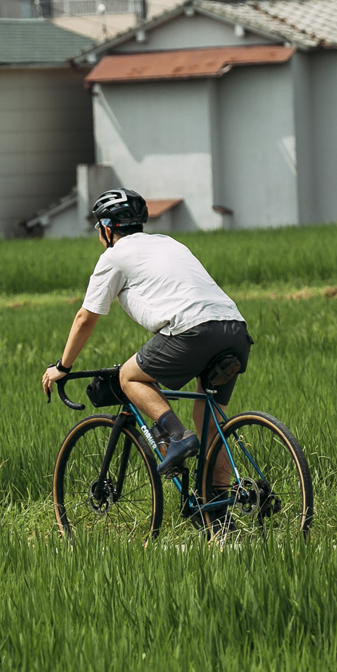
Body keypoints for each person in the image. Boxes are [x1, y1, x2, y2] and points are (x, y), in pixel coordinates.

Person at [41, 188, 252, 476]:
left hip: (192, 331)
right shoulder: (170, 243)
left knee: (128, 376)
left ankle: (177, 436)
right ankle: (218, 511)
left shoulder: (114, 256)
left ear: (105, 228)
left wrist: (63, 367)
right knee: (210, 427)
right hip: (235, 330)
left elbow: (85, 318)